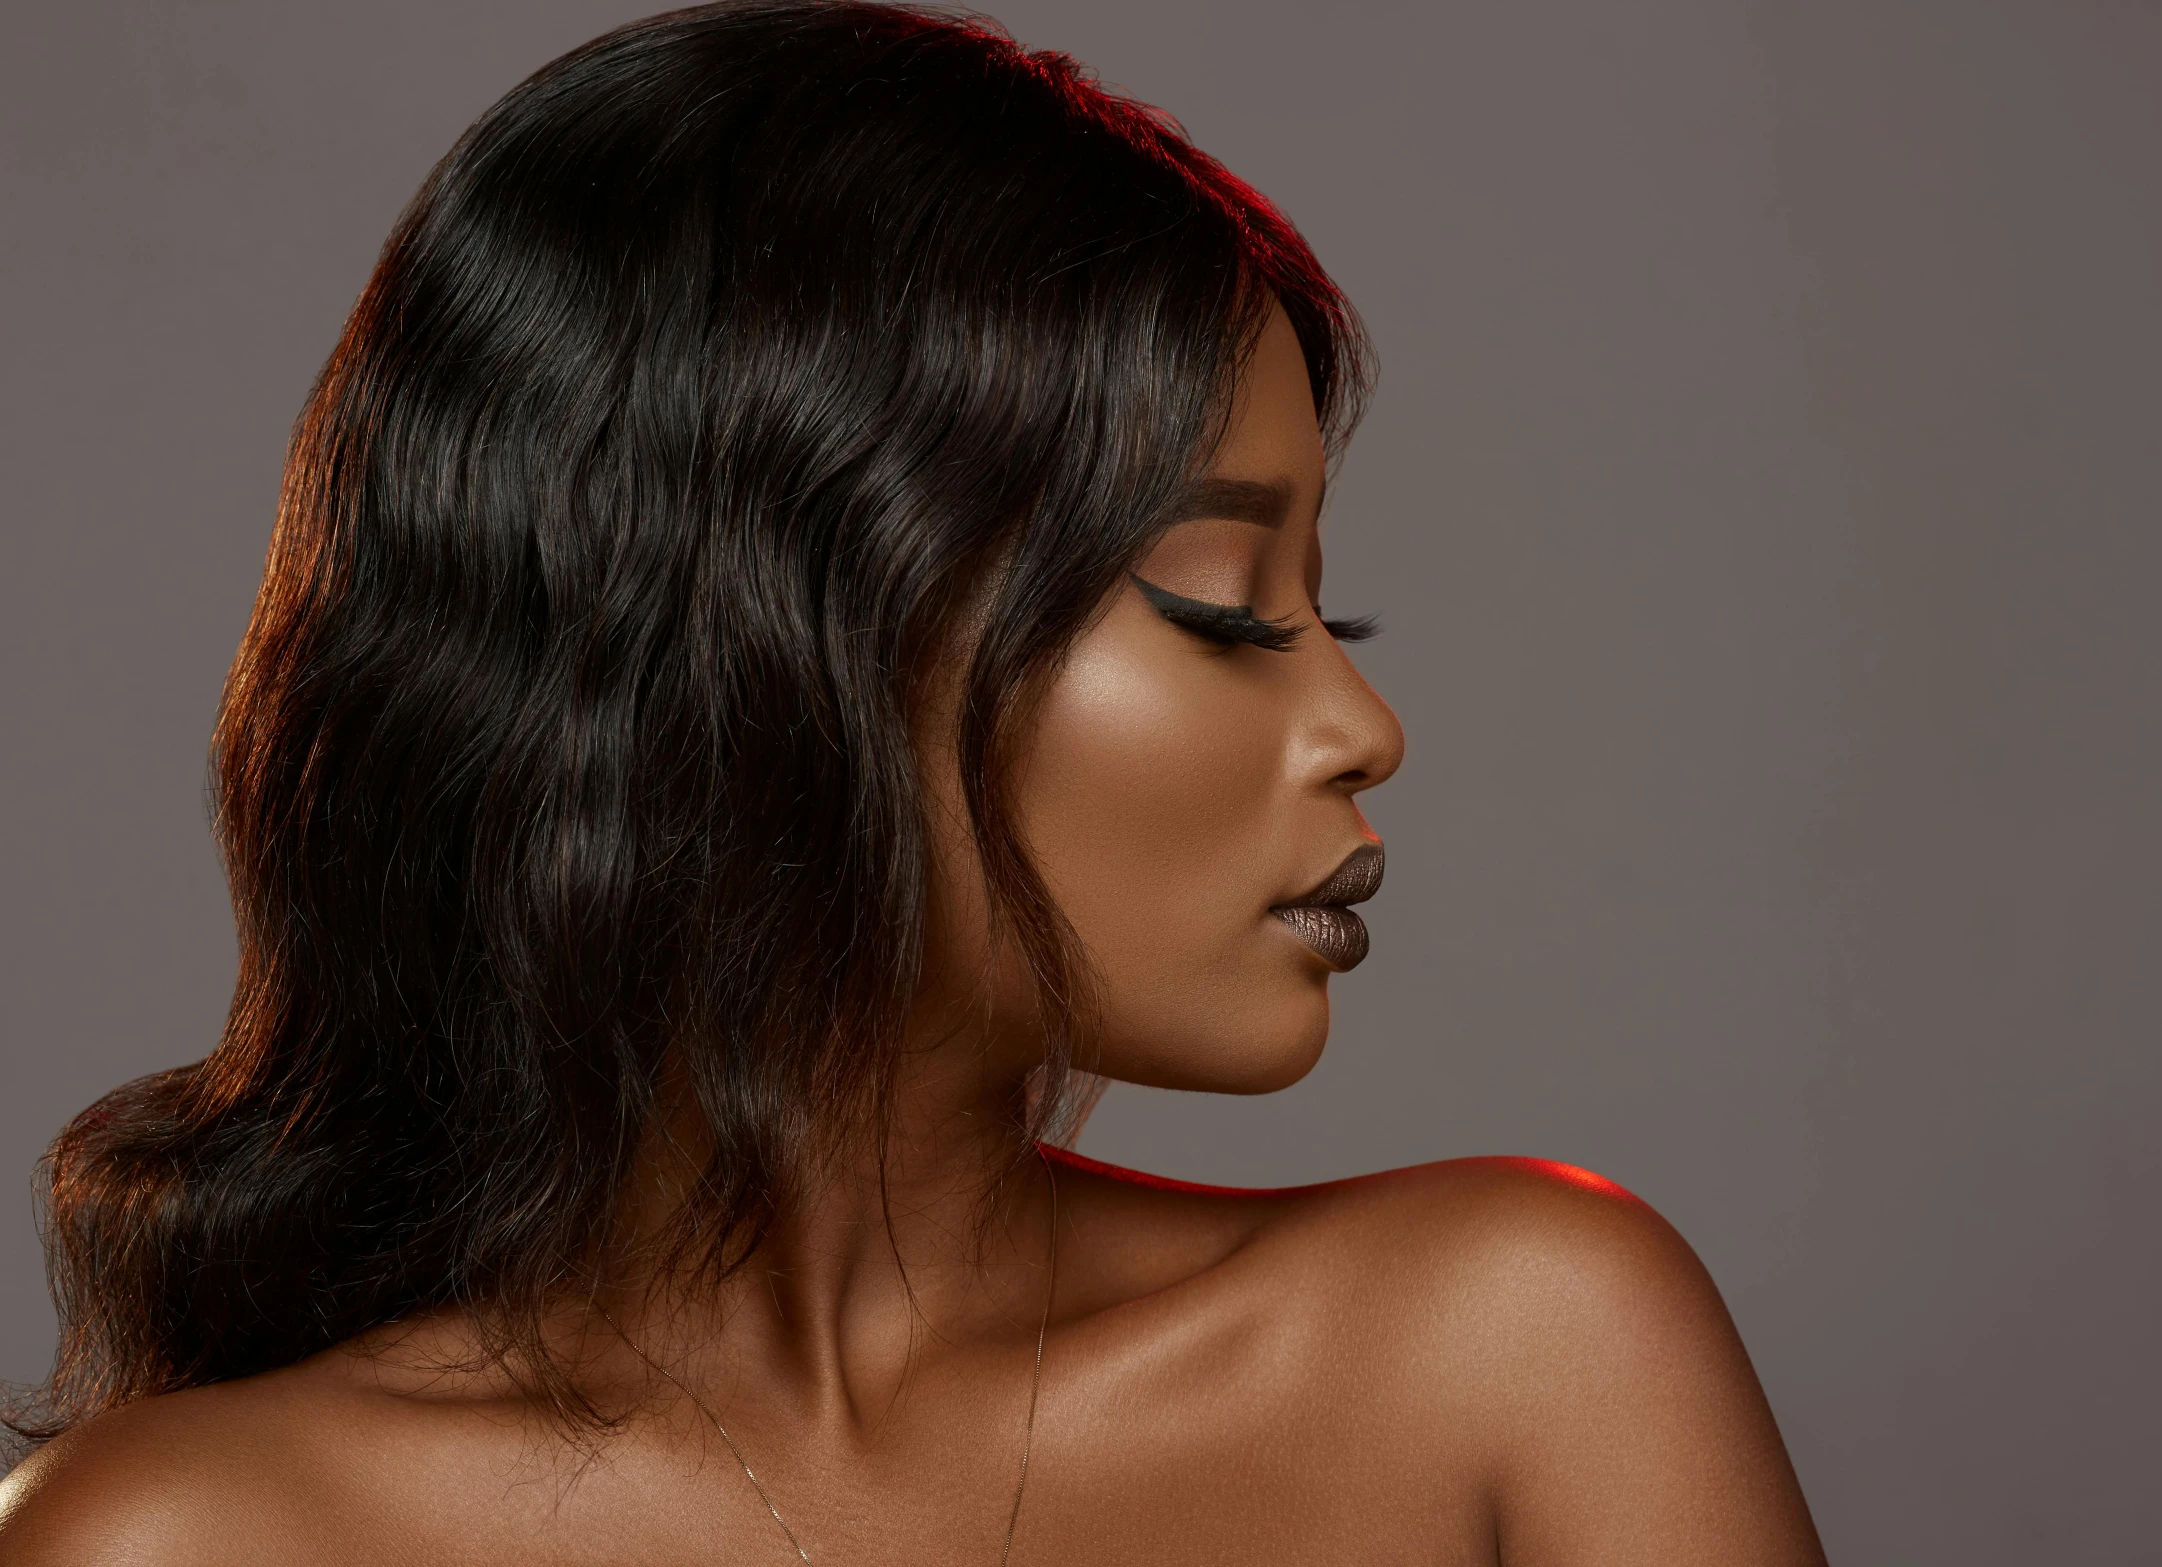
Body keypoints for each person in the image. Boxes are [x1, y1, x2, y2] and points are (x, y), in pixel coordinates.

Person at [0, 3, 1826, 1560]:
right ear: (771, 650)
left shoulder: (1518, 1350)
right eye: (1222, 606)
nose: (1363, 723)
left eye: (1320, 600)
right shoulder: (193, 1535)